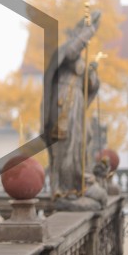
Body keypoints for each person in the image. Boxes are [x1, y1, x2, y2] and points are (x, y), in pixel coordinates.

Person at [43, 11, 101, 199]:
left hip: (77, 101)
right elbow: (70, 53)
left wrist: (92, 76)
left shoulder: (81, 60)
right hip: (64, 102)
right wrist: (89, 32)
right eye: (81, 34)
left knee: (84, 138)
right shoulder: (66, 50)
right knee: (66, 143)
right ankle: (65, 187)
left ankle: (78, 182)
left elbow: (89, 86)